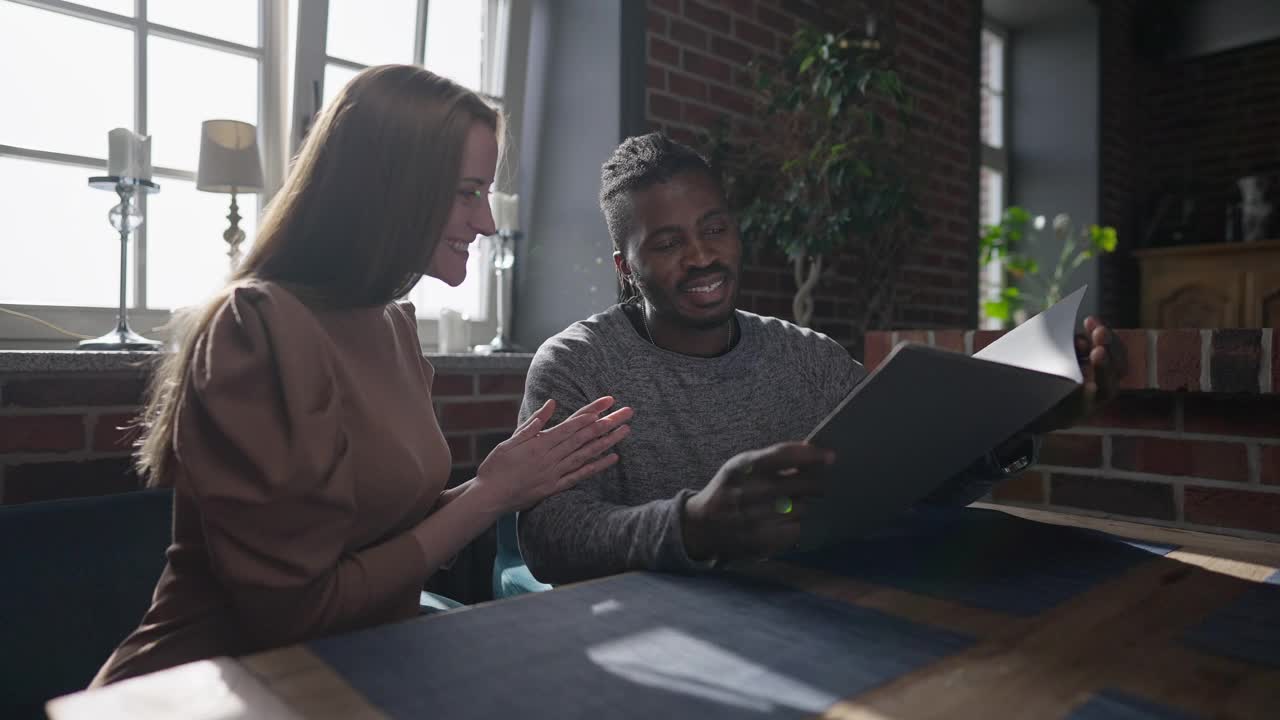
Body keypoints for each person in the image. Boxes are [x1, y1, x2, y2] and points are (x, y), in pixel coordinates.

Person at [92, 65, 632, 686]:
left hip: (352, 673)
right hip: (212, 686)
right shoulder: (257, 328)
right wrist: (489, 496)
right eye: (466, 192)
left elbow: (381, 534)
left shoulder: (392, 326)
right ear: (392, 187)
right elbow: (298, 612)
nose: (485, 222)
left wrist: (502, 481)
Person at [511, 132, 1120, 586]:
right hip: (647, 640)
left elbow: (910, 490)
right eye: (668, 243)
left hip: (811, 615)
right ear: (625, 268)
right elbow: (551, 539)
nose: (702, 256)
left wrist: (1017, 427)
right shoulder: (577, 366)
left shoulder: (810, 360)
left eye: (715, 228)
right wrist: (693, 524)